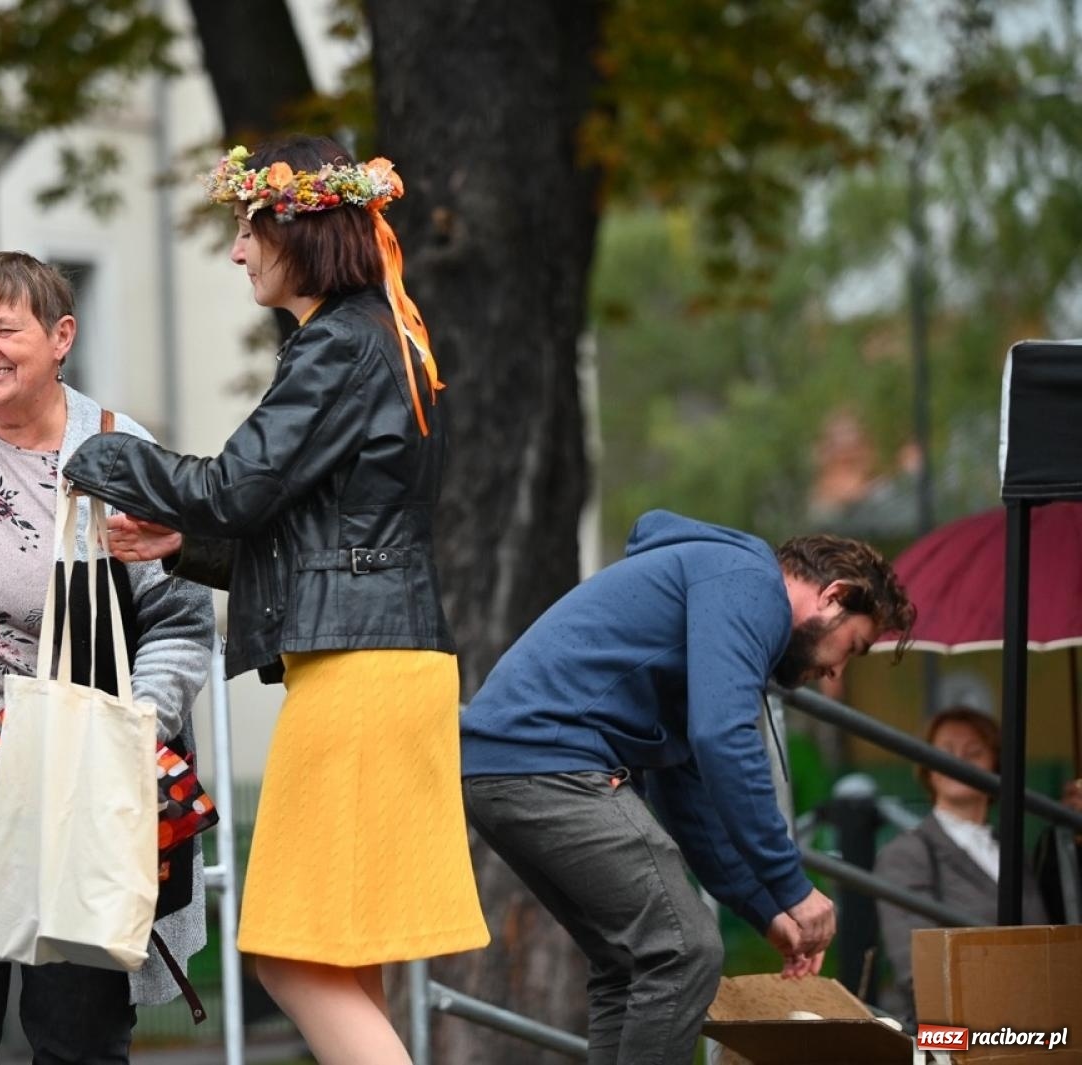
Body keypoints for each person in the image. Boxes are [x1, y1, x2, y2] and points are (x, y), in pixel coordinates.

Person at [62, 136, 489, 1065]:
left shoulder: (337, 344)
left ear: (300, 231)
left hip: (358, 679)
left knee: (287, 955)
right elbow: (319, 525)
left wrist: (92, 447)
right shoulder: (384, 336)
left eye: (249, 228)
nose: (237, 250)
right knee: (343, 955)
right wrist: (187, 543)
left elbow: (236, 488)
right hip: (385, 662)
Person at [0, 251, 216, 1065]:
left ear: (61, 336)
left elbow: (178, 621)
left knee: (77, 1039)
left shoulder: (118, 449)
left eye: (5, 328)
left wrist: (136, 725)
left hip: (78, 795)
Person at [459, 514, 917, 1065]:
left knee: (631, 965)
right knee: (684, 950)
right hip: (550, 762)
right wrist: (793, 886)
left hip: (504, 769)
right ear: (834, 596)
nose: (837, 672)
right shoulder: (748, 581)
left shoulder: (712, 608)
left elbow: (690, 800)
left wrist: (764, 909)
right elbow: (723, 736)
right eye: (853, 646)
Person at [874, 706, 1050, 1022]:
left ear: (995, 765)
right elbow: (917, 972)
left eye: (973, 752)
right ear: (928, 767)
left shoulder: (1010, 851)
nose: (958, 762)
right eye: (946, 752)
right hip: (945, 1033)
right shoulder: (907, 853)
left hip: (1026, 1024)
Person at [1033, 776, 1082, 923]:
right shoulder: (1051, 839)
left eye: (1078, 796)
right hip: (1059, 925)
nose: (1073, 802)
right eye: (1069, 795)